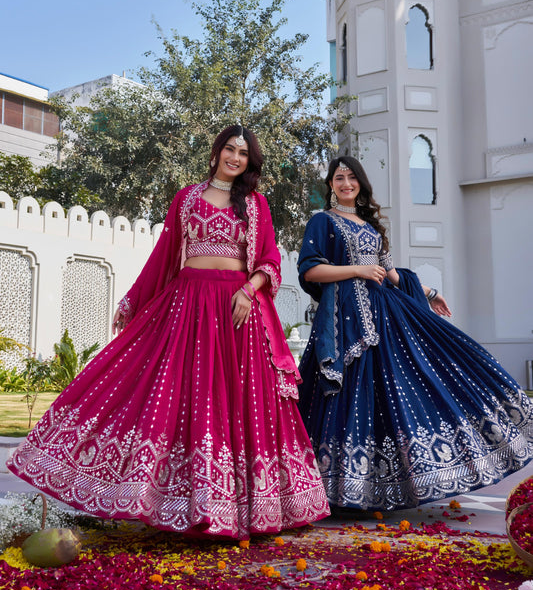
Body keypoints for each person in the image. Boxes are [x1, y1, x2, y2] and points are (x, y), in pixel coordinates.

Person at [8, 126, 329, 539]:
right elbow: (163, 256)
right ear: (216, 153)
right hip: (189, 304)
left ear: (250, 161)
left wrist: (249, 290)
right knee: (183, 396)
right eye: (229, 149)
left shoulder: (254, 203)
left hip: (236, 310)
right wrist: (132, 299)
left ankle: (246, 509)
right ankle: (186, 504)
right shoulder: (187, 197)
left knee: (237, 402)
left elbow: (268, 259)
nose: (235, 157)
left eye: (243, 153)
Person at [297, 156, 533, 511]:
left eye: (352, 178)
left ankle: (384, 488)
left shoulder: (371, 226)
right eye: (339, 178)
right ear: (330, 184)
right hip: (346, 325)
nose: (346, 184)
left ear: (360, 183)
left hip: (385, 317)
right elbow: (311, 271)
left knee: (411, 382)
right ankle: (337, 489)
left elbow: (392, 275)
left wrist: (431, 294)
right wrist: (357, 270)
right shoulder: (322, 222)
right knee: (349, 398)